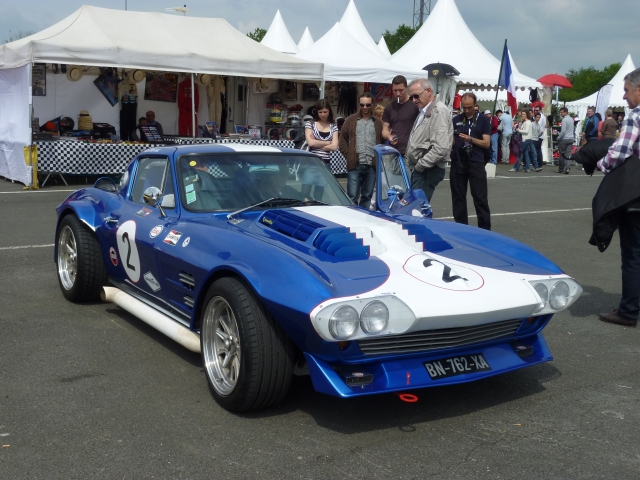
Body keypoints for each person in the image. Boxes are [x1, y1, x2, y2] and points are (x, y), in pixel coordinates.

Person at [597, 67, 640, 327]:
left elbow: (620, 151)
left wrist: (600, 164)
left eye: (626, 90)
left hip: (634, 194)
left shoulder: (636, 116)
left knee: (633, 253)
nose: (624, 97)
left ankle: (628, 311)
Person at [404, 78, 452, 202]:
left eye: (416, 96)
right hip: (423, 168)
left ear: (428, 91)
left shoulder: (438, 111)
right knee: (417, 208)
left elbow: (441, 147)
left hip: (428, 169)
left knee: (418, 209)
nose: (414, 100)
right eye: (411, 97)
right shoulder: (425, 110)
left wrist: (420, 166)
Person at [450, 92, 491, 230]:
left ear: (475, 105)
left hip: (476, 162)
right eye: (464, 107)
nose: (466, 110)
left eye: (469, 107)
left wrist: (471, 139)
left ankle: (485, 230)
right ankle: (462, 229)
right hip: (458, 162)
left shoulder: (483, 120)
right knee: (458, 198)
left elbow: (486, 143)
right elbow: (451, 140)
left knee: (480, 198)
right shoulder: (455, 119)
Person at [338, 92, 382, 209]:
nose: (365, 108)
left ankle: (364, 219)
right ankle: (352, 220)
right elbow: (342, 140)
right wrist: (350, 155)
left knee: (367, 196)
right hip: (355, 164)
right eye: (362, 105)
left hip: (371, 165)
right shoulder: (351, 120)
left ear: (372, 104)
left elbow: (382, 142)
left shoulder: (378, 123)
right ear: (359, 104)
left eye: (368, 105)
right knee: (352, 196)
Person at [302, 98, 339, 201]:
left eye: (325, 112)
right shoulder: (310, 124)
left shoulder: (333, 126)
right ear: (316, 112)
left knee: (319, 195)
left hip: (324, 164)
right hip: (311, 163)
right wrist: (328, 142)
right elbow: (310, 142)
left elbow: (335, 147)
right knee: (305, 194)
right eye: (320, 112)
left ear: (329, 111)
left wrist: (317, 143)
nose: (323, 114)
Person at [381, 75, 419, 157]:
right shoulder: (389, 107)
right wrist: (389, 136)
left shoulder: (415, 105)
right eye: (395, 90)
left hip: (411, 152)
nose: (398, 94)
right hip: (393, 151)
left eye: (401, 90)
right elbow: (385, 129)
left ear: (406, 88)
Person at [556, 107, 575, 174]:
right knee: (568, 154)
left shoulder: (564, 120)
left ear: (566, 112)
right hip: (571, 138)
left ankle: (561, 168)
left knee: (562, 154)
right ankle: (567, 168)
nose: (561, 113)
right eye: (560, 112)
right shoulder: (571, 119)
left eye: (562, 112)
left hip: (564, 139)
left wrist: (558, 137)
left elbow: (563, 131)